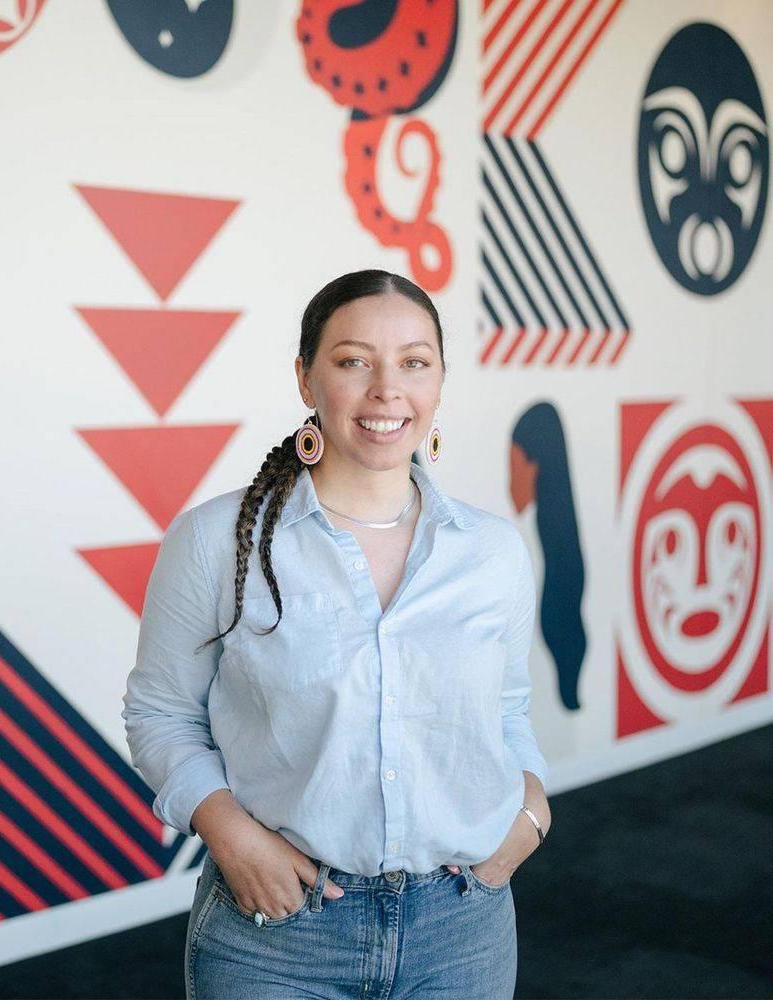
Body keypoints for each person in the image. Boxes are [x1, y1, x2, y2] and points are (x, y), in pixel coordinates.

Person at [122, 269, 551, 999]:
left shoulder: (493, 551)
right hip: (279, 932)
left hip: (463, 928)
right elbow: (160, 716)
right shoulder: (215, 540)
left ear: (440, 380)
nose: (388, 390)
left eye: (414, 362)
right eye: (354, 361)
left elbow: (506, 713)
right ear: (306, 377)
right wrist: (229, 834)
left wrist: (532, 816)